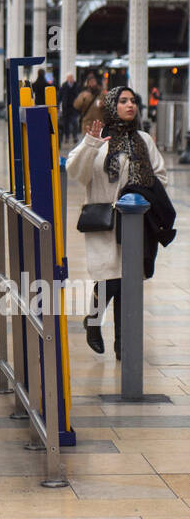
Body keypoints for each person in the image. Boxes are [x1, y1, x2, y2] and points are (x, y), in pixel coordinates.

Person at [66, 86, 170, 359]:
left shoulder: (144, 140)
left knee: (129, 282)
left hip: (136, 223)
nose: (130, 105)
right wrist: (91, 143)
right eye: (123, 101)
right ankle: (93, 321)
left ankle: (122, 344)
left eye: (133, 101)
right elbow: (76, 171)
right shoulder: (99, 137)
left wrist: (141, 193)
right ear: (112, 106)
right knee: (109, 280)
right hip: (104, 222)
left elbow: (161, 176)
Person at [58, 72, 80, 145]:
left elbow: (79, 96)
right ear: (67, 79)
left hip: (74, 107)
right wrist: (58, 105)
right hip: (66, 107)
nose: (71, 79)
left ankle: (75, 136)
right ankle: (67, 137)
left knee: (74, 122)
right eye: (69, 78)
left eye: (72, 77)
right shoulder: (64, 86)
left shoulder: (77, 86)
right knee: (66, 123)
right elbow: (60, 96)